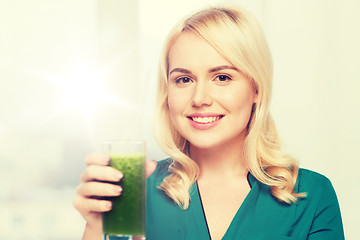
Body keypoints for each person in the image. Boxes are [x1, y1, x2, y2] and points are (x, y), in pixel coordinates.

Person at [74, 5, 345, 240]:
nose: (200, 98)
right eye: (184, 80)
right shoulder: (133, 193)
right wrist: (97, 227)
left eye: (222, 77)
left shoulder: (311, 195)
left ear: (256, 88)